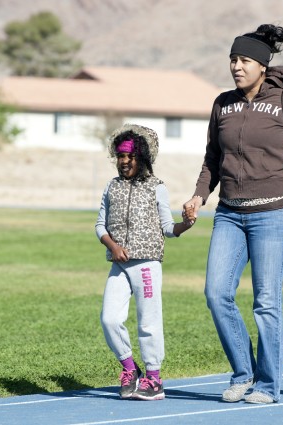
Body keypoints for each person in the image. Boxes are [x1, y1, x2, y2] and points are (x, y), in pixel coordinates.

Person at [182, 24, 283, 404]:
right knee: (216, 293)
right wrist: (198, 196)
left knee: (266, 301)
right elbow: (212, 157)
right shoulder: (222, 103)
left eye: (243, 61)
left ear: (262, 65)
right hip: (229, 214)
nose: (236, 67)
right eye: (232, 60)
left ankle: (268, 385)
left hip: (275, 213)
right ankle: (243, 373)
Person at [96, 123, 195, 401]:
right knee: (109, 319)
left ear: (142, 158)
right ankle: (130, 368)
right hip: (120, 265)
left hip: (147, 265)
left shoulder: (156, 188)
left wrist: (185, 224)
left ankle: (154, 379)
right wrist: (112, 246)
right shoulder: (111, 187)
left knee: (148, 322)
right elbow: (99, 225)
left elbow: (168, 227)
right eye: (120, 156)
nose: (124, 162)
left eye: (130, 156)